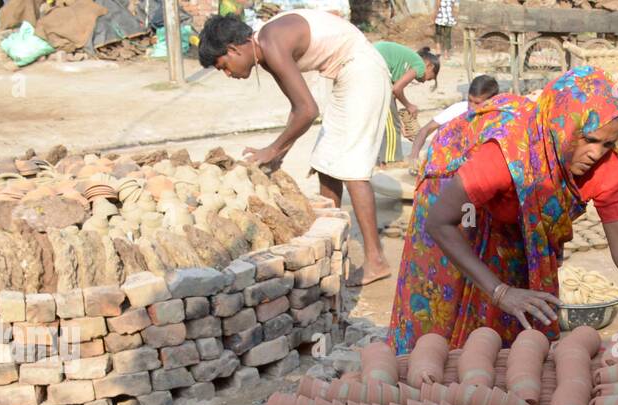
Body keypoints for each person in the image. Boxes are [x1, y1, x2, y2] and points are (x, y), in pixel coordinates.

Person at [388, 66, 618, 354]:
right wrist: (499, 292)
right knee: (442, 305)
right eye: (589, 140)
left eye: (607, 143)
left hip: (508, 212)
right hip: (455, 199)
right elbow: (442, 221)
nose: (596, 153)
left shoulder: (605, 168)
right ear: (564, 126)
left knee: (515, 316)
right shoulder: (507, 154)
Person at [198, 12, 392, 283]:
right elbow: (297, 108)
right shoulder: (264, 50)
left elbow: (308, 110)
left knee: (351, 167)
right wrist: (280, 154)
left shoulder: (271, 42)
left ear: (233, 48)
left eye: (224, 66)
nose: (228, 74)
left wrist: (272, 149)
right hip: (346, 74)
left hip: (362, 71)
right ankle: (329, 245)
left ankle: (377, 261)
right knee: (327, 163)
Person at [410, 74, 500, 168]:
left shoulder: (497, 118)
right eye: (470, 100)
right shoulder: (458, 109)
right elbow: (425, 129)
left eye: (477, 103)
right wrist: (414, 156)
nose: (471, 106)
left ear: (491, 101)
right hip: (445, 161)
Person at [374, 42, 440, 166]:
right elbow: (396, 89)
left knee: (384, 120)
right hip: (374, 66)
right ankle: (391, 160)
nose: (425, 81)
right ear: (429, 66)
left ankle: (380, 158)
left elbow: (392, 95)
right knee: (393, 125)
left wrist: (400, 121)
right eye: (430, 78)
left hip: (368, 64)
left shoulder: (403, 64)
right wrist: (409, 105)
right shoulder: (419, 65)